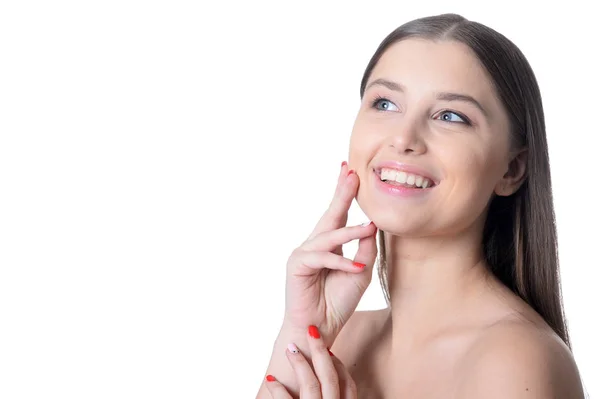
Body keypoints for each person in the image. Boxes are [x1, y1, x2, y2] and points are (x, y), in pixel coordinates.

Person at [256, 13, 585, 398]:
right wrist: (299, 329)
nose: (403, 138)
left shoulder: (515, 361)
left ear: (511, 169)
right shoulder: (338, 339)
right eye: (385, 104)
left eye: (451, 116)